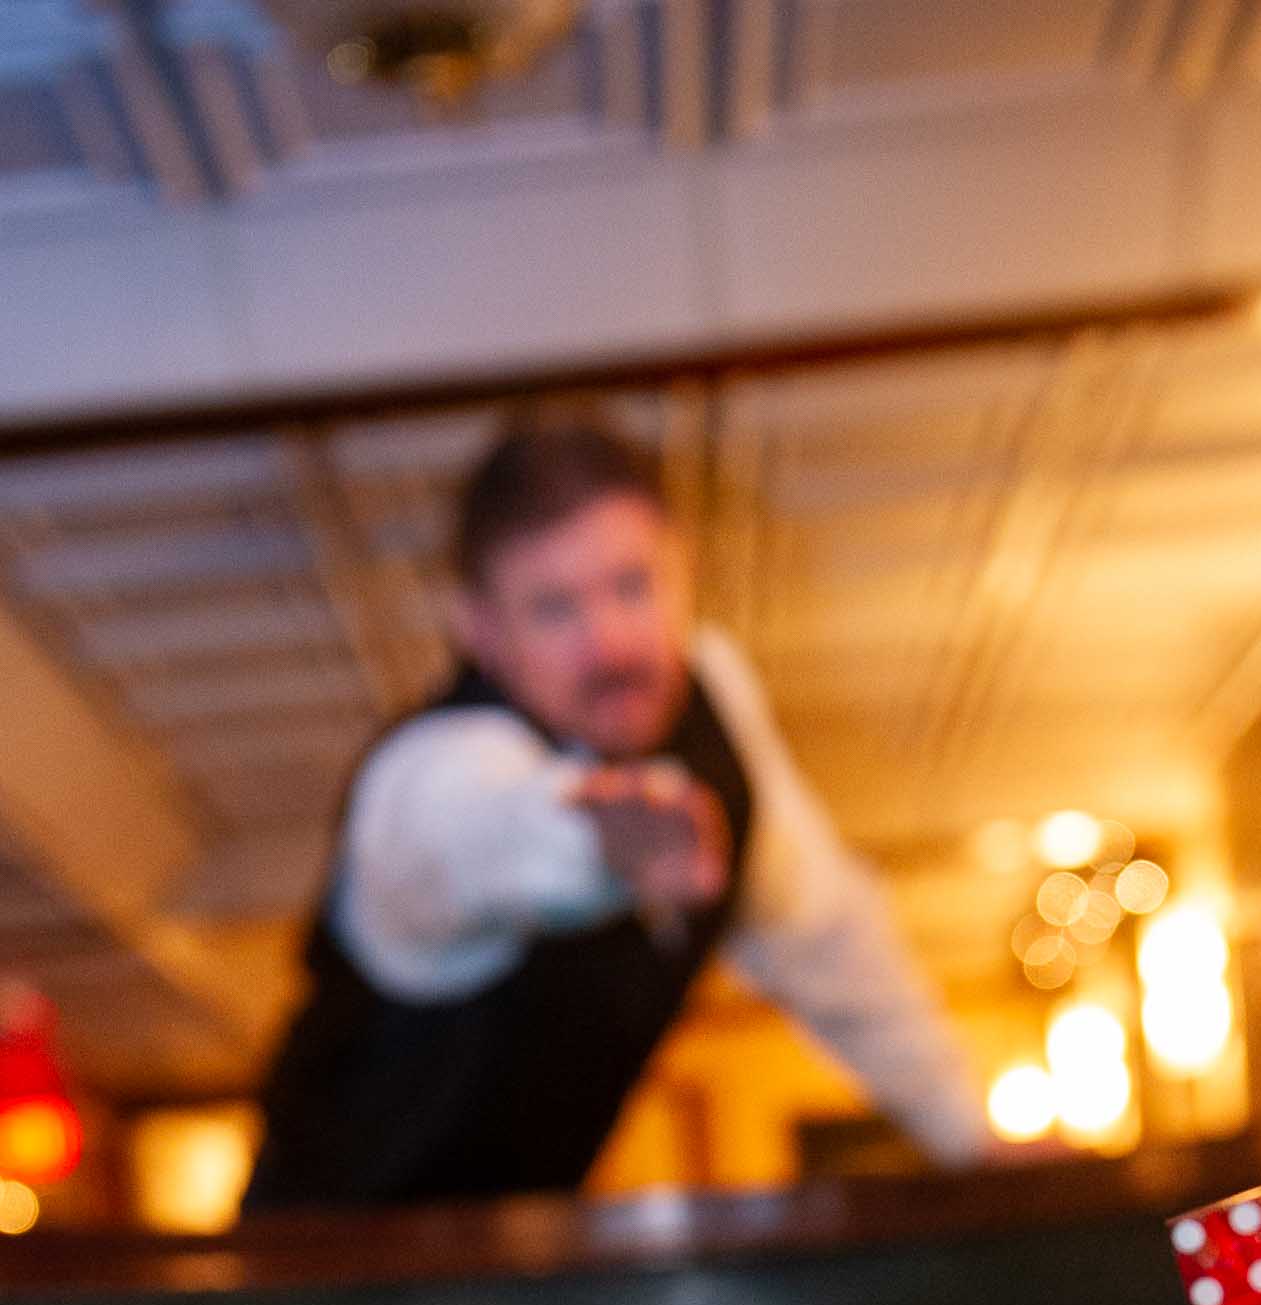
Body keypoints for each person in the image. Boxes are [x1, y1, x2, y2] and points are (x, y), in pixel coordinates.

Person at [246, 422, 990, 1208]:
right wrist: (593, 844)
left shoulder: (719, 718)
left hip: (516, 1260)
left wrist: (971, 1138)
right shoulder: (423, 774)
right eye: (554, 608)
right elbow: (479, 830)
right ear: (479, 630)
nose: (606, 644)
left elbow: (831, 944)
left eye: (632, 586)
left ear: (684, 573)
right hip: (310, 1275)